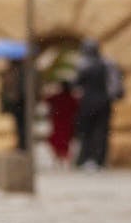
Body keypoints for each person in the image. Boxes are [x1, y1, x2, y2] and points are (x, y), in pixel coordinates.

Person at [74, 38, 112, 170]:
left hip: (88, 102)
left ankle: (86, 158)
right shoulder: (107, 64)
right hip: (104, 102)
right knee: (102, 131)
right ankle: (100, 159)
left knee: (87, 131)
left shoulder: (84, 65)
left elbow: (76, 83)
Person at [45, 79, 78, 166]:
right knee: (65, 141)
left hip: (58, 122)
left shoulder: (57, 97)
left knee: (57, 140)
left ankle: (58, 158)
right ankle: (64, 159)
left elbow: (47, 100)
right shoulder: (72, 98)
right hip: (67, 123)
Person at [0, 57, 28, 151]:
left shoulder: (16, 72)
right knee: (19, 124)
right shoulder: (16, 73)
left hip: (18, 102)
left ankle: (21, 143)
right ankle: (20, 143)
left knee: (20, 124)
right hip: (16, 102)